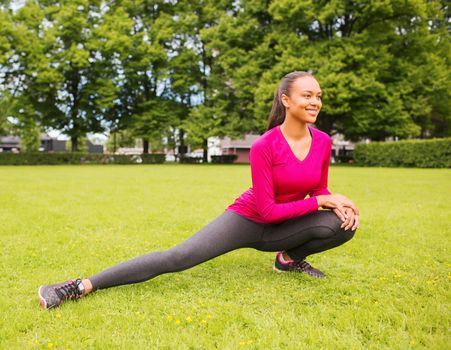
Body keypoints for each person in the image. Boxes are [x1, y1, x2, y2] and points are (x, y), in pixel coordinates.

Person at [38, 71, 360, 309]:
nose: (315, 101)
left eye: (318, 95)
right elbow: (267, 211)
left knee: (342, 225)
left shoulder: (323, 142)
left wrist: (333, 204)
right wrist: (322, 200)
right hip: (249, 220)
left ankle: (288, 260)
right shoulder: (265, 145)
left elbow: (317, 188)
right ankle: (80, 286)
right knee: (180, 257)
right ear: (286, 100)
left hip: (285, 224)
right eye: (307, 95)